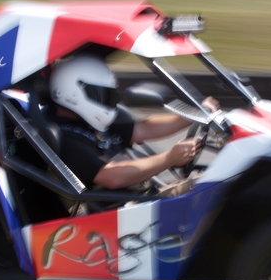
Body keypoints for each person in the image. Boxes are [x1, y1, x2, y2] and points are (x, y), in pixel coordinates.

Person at [49, 53, 219, 191]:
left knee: (218, 179)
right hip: (117, 212)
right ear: (72, 93)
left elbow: (143, 129)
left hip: (143, 197)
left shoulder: (93, 120)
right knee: (214, 188)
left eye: (108, 95)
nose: (107, 101)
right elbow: (111, 177)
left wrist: (195, 115)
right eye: (100, 94)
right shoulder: (65, 138)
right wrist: (170, 158)